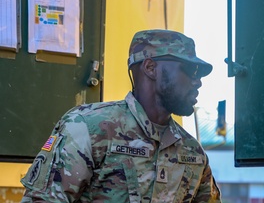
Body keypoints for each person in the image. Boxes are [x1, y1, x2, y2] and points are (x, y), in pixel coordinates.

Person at [20, 29, 222, 203]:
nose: (198, 82)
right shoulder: (89, 128)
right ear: (151, 68)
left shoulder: (193, 152)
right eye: (190, 70)